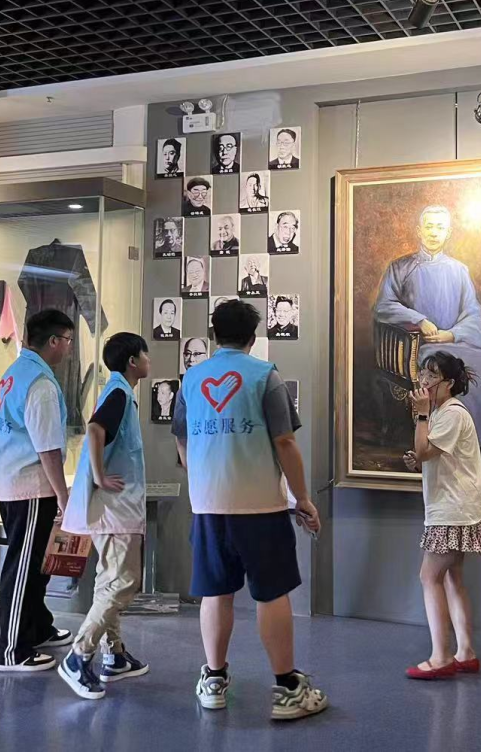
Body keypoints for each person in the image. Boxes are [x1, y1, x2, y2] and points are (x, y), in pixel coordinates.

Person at [173, 299, 327, 720]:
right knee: (271, 592)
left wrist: (203, 479)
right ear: (253, 337)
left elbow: (182, 440)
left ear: (214, 334)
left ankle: (214, 680)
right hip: (260, 506)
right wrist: (302, 498)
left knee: (215, 592)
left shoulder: (191, 379)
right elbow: (285, 442)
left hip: (208, 506)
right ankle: (287, 689)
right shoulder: (264, 375)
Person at [375, 205, 481, 459]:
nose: (434, 232)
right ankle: (462, 443)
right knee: (452, 375)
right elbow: (384, 306)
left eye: (440, 227)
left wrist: (452, 334)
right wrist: (419, 320)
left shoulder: (459, 270)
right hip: (419, 348)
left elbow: (472, 312)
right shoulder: (400, 267)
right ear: (419, 231)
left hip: (457, 343)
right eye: (429, 226)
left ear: (448, 232)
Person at [59, 332, 153, 699]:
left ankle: (113, 654)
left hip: (112, 508)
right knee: (123, 581)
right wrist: (100, 476)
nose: (148, 361)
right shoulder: (118, 393)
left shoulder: (120, 392)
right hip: (115, 508)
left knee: (108, 580)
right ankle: (79, 654)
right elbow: (96, 429)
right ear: (132, 361)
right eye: (145, 354)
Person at [0, 309, 76, 672]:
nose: (69, 349)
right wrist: (63, 496)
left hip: (16, 482)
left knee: (37, 565)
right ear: (54, 341)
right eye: (68, 341)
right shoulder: (40, 383)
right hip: (29, 487)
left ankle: (37, 627)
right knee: (23, 568)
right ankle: (11, 650)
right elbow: (47, 448)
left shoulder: (16, 372)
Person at [400, 352, 481, 680]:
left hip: (451, 510)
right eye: (423, 374)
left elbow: (424, 450)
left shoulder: (451, 413)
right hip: (456, 507)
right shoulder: (443, 413)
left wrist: (422, 415)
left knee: (429, 577)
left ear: (449, 383)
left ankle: (440, 657)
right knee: (452, 578)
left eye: (432, 376)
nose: (424, 381)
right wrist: (419, 458)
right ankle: (465, 652)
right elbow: (428, 456)